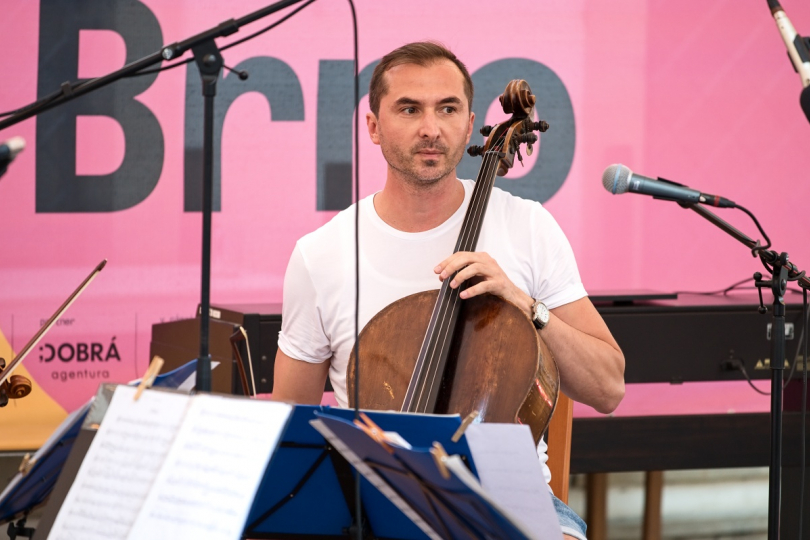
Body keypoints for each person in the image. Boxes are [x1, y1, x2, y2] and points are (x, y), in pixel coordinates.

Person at [273, 41, 625, 540]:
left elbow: (608, 388)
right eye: (409, 109)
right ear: (373, 126)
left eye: (448, 109)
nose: (431, 128)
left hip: (512, 509)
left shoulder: (526, 227)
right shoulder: (322, 254)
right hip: (376, 508)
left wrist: (525, 306)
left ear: (469, 123)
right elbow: (292, 427)